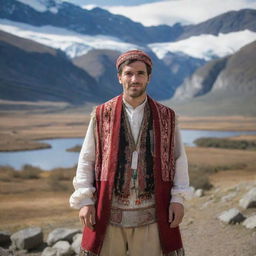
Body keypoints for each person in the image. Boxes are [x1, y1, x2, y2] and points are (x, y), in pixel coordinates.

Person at [69, 49, 191, 256]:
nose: (134, 79)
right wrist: (85, 200)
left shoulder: (167, 116)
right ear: (119, 77)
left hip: (152, 212)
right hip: (108, 212)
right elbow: (87, 158)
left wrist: (178, 199)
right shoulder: (101, 114)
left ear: (149, 77)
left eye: (140, 73)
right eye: (128, 73)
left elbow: (178, 158)